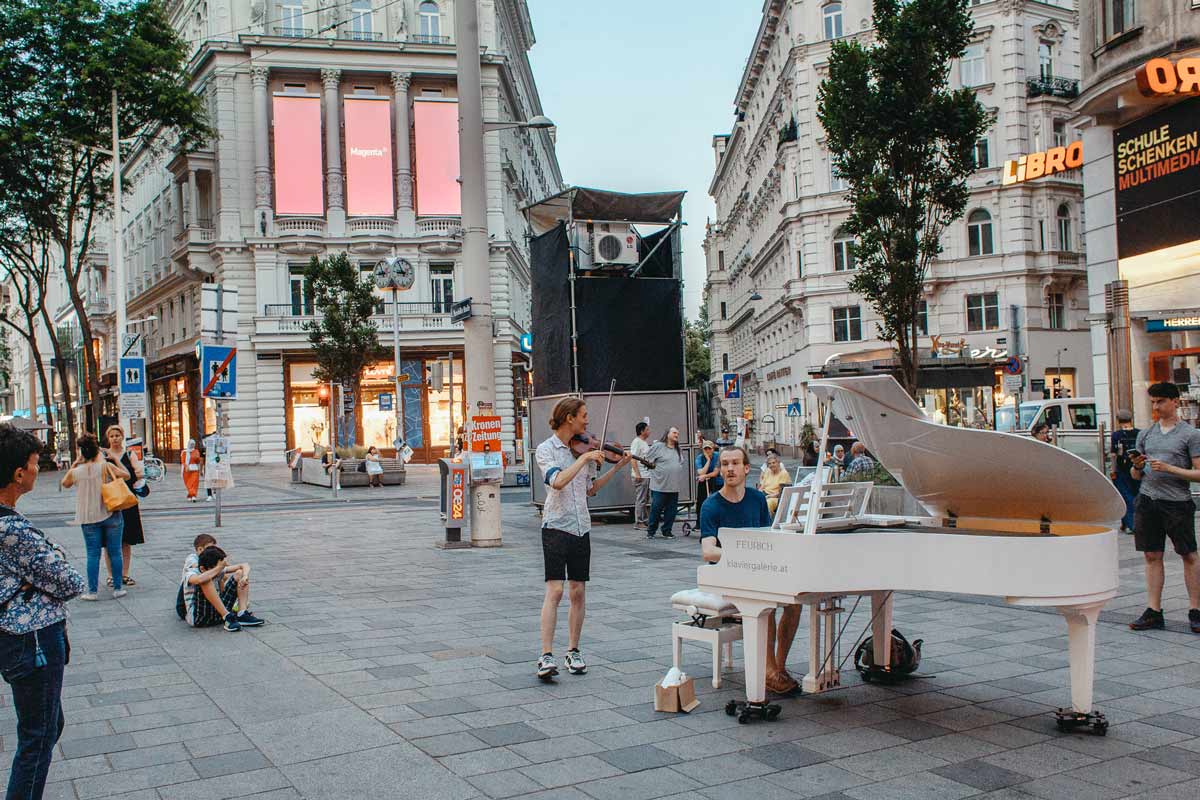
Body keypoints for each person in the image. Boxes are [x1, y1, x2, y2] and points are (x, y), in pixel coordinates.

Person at [0, 424, 86, 800]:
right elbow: (70, 582)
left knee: (48, 727)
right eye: (36, 463)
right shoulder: (11, 530)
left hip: (20, 640)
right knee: (37, 740)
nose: (39, 469)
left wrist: (36, 578)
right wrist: (48, 570)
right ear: (19, 474)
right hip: (32, 642)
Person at [535, 398, 631, 679]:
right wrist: (585, 458)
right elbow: (557, 481)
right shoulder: (546, 450)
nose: (587, 422)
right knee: (555, 591)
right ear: (569, 418)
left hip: (581, 527)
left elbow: (590, 489)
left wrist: (616, 468)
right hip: (555, 525)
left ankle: (573, 650)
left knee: (578, 591)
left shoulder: (585, 449)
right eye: (584, 416)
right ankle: (545, 655)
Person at [700, 445, 802, 695]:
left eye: (735, 463)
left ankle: (778, 667)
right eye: (724, 464)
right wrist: (742, 554)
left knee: (795, 601)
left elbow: (768, 536)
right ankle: (768, 672)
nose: (730, 468)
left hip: (757, 569)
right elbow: (709, 551)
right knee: (764, 601)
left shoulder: (757, 500)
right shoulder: (711, 505)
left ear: (747, 468)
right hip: (729, 574)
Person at [1127, 382, 1200, 634]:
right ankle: (1154, 610)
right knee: (1151, 555)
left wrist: (1170, 469)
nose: (1156, 407)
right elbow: (1136, 476)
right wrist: (1137, 466)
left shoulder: (1190, 435)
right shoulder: (1146, 434)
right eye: (1153, 402)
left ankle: (1195, 609)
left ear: (1175, 402)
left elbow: (1199, 473)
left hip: (1177, 503)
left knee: (1188, 555)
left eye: (1160, 401)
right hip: (1148, 501)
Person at [60, 434, 128, 600]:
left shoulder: (76, 471)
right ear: (97, 450)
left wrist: (76, 462)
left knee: (92, 554)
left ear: (82, 452)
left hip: (88, 517)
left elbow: (64, 483)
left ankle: (92, 591)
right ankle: (118, 588)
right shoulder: (105, 466)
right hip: (111, 513)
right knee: (115, 552)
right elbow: (126, 475)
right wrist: (115, 460)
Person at [178, 534, 264, 632]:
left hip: (217, 614)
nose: (218, 572)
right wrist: (219, 568)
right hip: (200, 617)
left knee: (239, 573)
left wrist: (245, 576)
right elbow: (198, 580)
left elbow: (244, 565)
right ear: (202, 568)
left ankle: (241, 614)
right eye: (216, 569)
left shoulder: (215, 568)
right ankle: (227, 616)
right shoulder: (192, 572)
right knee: (205, 579)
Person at [103, 425, 145, 587]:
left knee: (126, 540)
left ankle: (125, 574)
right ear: (108, 438)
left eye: (117, 435)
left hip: (127, 500)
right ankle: (111, 575)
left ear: (122, 437)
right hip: (110, 500)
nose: (115, 438)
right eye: (112, 436)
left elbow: (139, 472)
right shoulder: (103, 455)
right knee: (108, 541)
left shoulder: (129, 454)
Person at [646, 426, 687, 539]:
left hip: (674, 486)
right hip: (659, 486)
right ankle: (651, 531)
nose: (676, 435)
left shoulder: (678, 449)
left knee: (671, 511)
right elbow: (647, 460)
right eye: (674, 432)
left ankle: (667, 530)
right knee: (656, 509)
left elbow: (680, 463)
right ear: (667, 434)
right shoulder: (658, 446)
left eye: (677, 433)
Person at [1111, 410, 1141, 534]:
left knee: (1125, 496)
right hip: (1137, 467)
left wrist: (1113, 470)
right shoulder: (1139, 433)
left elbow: (1114, 454)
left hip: (1122, 469)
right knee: (1135, 494)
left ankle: (1131, 524)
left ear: (1118, 420)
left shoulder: (1117, 435)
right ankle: (1125, 523)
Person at [630, 422, 652, 530]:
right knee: (641, 499)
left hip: (646, 475)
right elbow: (633, 458)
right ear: (642, 431)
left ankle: (645, 520)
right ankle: (638, 521)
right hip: (641, 475)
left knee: (645, 499)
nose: (649, 431)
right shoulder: (637, 442)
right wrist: (637, 473)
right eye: (647, 429)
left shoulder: (644, 442)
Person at [694, 440, 721, 509]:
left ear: (713, 449)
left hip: (717, 480)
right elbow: (701, 472)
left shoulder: (718, 456)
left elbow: (715, 473)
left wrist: (705, 476)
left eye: (709, 448)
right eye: (705, 449)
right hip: (704, 480)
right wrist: (708, 460)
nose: (707, 450)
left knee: (718, 500)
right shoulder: (699, 458)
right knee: (701, 500)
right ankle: (700, 516)